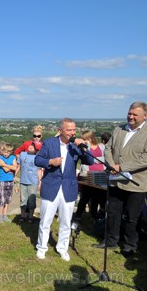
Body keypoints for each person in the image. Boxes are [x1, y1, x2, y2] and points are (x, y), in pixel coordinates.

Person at [93, 101, 147, 257]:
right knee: (113, 212)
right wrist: (111, 165)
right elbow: (108, 148)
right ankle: (110, 240)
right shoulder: (118, 129)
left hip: (136, 183)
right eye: (129, 113)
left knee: (132, 216)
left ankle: (130, 245)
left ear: (145, 116)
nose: (130, 116)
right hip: (115, 179)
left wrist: (121, 167)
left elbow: (145, 159)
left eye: (134, 114)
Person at [34, 118, 93, 261]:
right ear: (60, 130)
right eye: (69, 130)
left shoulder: (76, 146)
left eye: (74, 130)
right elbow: (37, 160)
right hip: (51, 187)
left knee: (66, 222)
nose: (72, 133)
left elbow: (89, 161)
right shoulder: (49, 143)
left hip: (68, 188)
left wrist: (84, 147)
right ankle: (41, 248)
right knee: (46, 220)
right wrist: (50, 162)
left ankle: (62, 248)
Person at [75, 130, 106, 221]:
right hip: (87, 173)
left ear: (90, 138)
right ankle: (78, 215)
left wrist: (93, 159)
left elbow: (105, 158)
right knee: (85, 196)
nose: (83, 141)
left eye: (84, 139)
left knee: (97, 196)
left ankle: (94, 215)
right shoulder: (84, 148)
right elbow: (85, 159)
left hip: (101, 174)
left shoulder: (102, 146)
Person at [15, 141, 42, 223]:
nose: (31, 147)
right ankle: (22, 216)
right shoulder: (22, 154)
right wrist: (15, 175)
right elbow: (18, 166)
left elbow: (39, 171)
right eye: (31, 145)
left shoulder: (38, 157)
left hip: (33, 182)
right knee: (23, 199)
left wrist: (40, 182)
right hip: (23, 181)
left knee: (31, 200)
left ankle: (30, 216)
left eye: (34, 147)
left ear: (37, 150)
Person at [0, 143, 17, 223]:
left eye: (8, 152)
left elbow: (15, 167)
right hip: (2, 180)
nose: (6, 154)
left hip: (10, 180)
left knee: (8, 199)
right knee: (1, 199)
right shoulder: (0, 158)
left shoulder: (13, 157)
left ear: (11, 152)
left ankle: (5, 215)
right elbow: (6, 170)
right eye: (5, 152)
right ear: (2, 151)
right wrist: (10, 167)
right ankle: (1, 217)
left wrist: (5, 165)